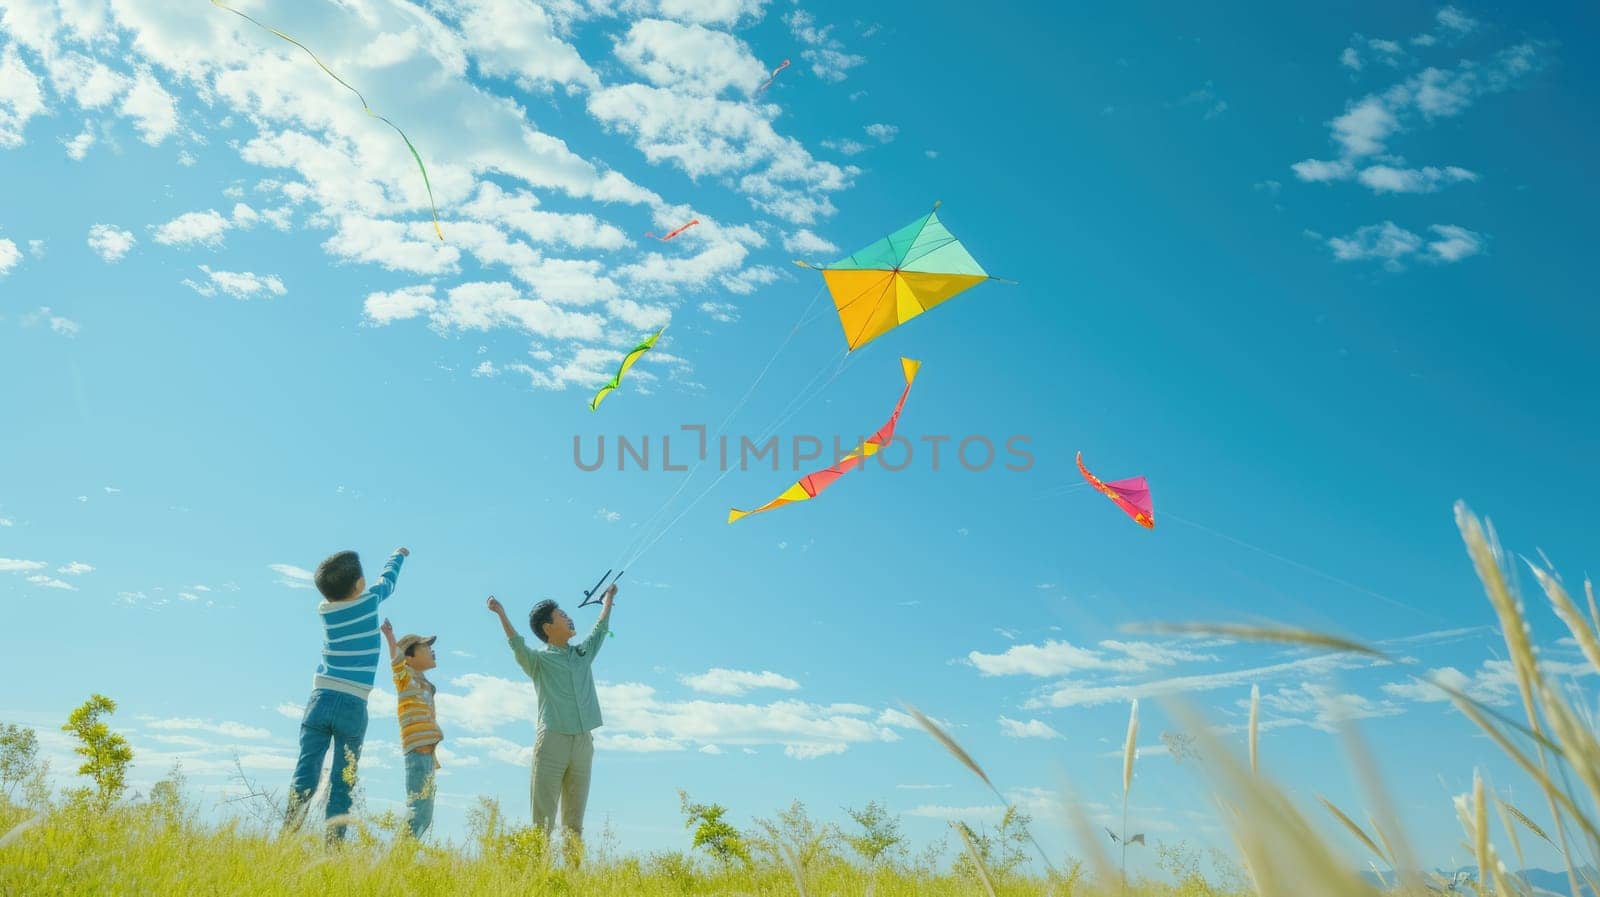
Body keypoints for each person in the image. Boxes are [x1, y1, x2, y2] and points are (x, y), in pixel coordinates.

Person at [285, 546, 409, 841]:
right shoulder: (368, 602)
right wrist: (398, 555)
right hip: (353, 705)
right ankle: (333, 846)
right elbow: (388, 582)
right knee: (343, 780)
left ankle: (287, 836)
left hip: (321, 699)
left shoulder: (325, 610)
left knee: (305, 772)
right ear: (359, 584)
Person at [485, 583, 615, 856]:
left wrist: (608, 600)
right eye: (562, 615)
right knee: (542, 820)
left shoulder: (582, 655)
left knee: (574, 822)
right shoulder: (539, 662)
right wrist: (501, 613)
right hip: (552, 742)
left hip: (583, 742)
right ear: (548, 628)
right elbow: (517, 644)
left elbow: (600, 631)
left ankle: (573, 877)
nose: (569, 618)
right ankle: (537, 874)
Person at [379, 618, 443, 839]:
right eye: (426, 647)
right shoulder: (405, 678)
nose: (432, 650)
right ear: (410, 656)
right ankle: (398, 856)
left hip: (426, 752)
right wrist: (390, 636)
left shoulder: (423, 681)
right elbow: (396, 661)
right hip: (416, 751)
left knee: (425, 812)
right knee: (419, 809)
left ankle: (402, 855)